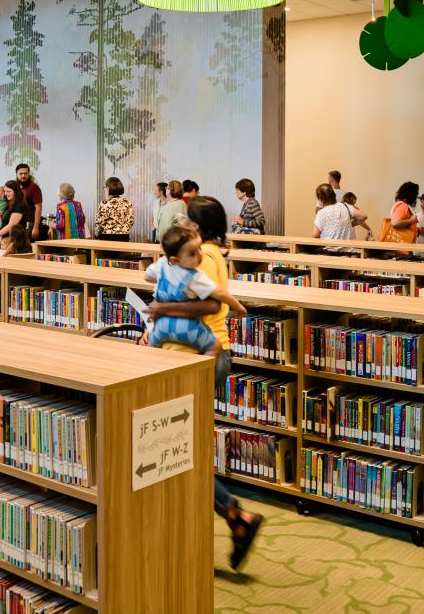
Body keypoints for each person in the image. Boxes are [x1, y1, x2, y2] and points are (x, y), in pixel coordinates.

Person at [144, 196, 263, 570]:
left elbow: (214, 306)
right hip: (185, 351)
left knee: (177, 451)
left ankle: (234, 514)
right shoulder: (202, 252)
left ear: (197, 226)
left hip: (198, 354)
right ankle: (214, 520)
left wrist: (161, 310)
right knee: (178, 448)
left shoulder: (202, 257)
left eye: (187, 218)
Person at [145, 224, 247, 365]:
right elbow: (220, 293)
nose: (200, 255)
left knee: (150, 346)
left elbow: (147, 277)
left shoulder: (161, 264)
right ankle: (202, 372)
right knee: (215, 346)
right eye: (193, 253)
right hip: (187, 328)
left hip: (162, 326)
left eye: (199, 248)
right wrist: (237, 306)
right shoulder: (194, 277)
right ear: (175, 260)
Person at [0, 181, 29, 249]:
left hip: (15, 241)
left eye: (9, 191)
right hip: (5, 240)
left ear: (16, 191)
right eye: (5, 191)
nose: (6, 193)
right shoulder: (7, 202)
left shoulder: (19, 205)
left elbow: (11, 225)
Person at [95, 176, 134, 241]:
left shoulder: (105, 203)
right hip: (124, 237)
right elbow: (131, 222)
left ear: (107, 188)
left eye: (104, 188)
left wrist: (96, 236)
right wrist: (122, 230)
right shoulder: (127, 202)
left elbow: (100, 223)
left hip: (107, 238)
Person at [14, 164, 44, 241]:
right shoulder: (14, 187)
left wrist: (35, 227)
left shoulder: (34, 187)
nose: (23, 175)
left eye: (26, 173)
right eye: (21, 173)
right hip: (16, 224)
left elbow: (38, 208)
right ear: (16, 174)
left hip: (29, 224)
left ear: (28, 174)